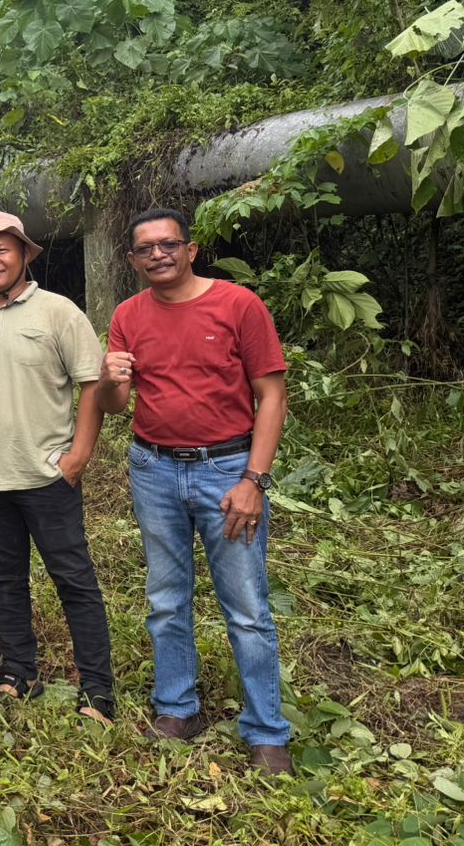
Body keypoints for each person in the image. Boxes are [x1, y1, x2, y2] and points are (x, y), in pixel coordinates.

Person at [99, 208, 293, 774]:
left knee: (247, 606)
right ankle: (177, 708)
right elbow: (115, 406)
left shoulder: (238, 305)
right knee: (166, 597)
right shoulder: (128, 315)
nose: (157, 255)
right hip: (153, 468)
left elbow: (272, 396)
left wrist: (254, 480)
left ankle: (266, 731)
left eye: (168, 245)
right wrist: (110, 380)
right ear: (133, 260)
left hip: (226, 469)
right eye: (145, 249)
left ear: (191, 250)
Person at [0, 210, 116, 723]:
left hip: (46, 475)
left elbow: (92, 385)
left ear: (23, 254)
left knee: (73, 580)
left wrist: (79, 455)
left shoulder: (58, 312)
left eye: (2, 250)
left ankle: (97, 690)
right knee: (4, 578)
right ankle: (19, 671)